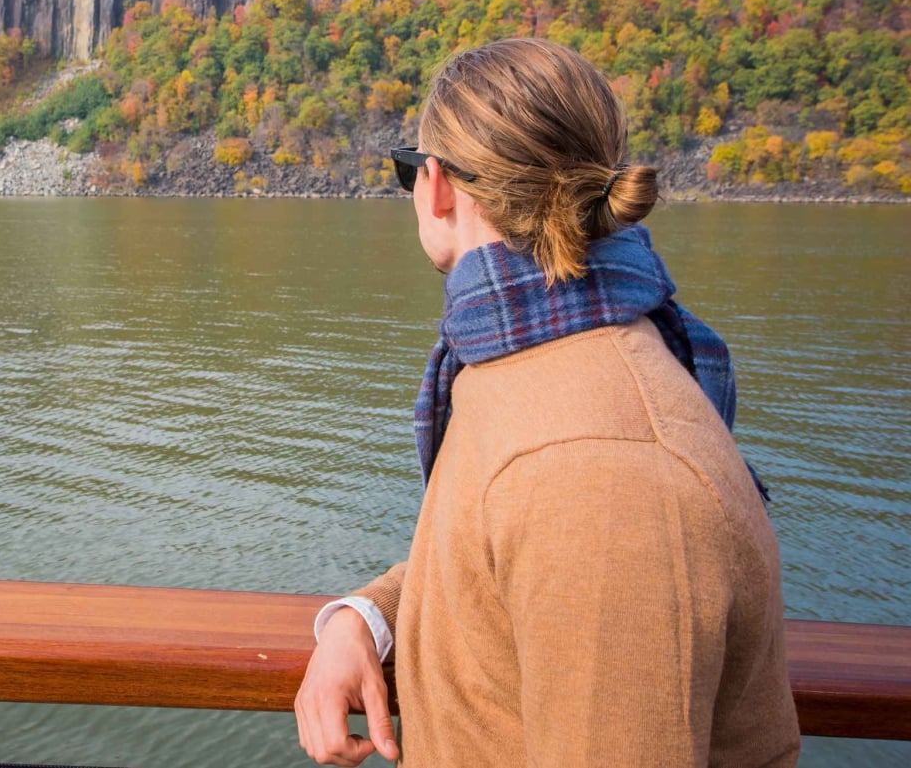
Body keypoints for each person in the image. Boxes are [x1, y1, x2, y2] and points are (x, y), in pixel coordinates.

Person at [293, 39, 800, 767]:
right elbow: (500, 564)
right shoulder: (535, 365)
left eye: (410, 169)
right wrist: (364, 619)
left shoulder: (602, 471)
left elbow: (574, 528)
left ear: (436, 186)